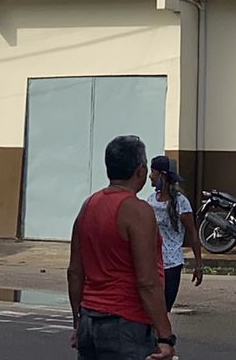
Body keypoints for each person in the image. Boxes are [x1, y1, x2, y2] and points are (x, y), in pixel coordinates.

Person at [67, 135, 176, 360]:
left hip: (89, 319)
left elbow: (75, 272)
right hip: (126, 324)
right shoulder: (138, 211)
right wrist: (165, 336)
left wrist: (78, 323)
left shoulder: (88, 206)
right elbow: (147, 282)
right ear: (141, 169)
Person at [147, 155, 203, 311]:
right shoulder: (150, 200)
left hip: (171, 264)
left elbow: (192, 233)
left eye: (153, 172)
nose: (150, 176)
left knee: (164, 308)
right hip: (151, 262)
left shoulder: (181, 202)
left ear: (162, 176)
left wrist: (198, 265)